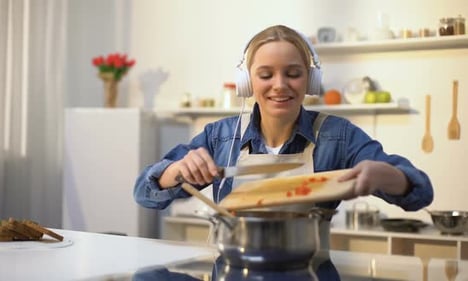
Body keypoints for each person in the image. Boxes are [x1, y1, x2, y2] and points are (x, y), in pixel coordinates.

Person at [134, 24, 433, 212]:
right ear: (247, 83)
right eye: (265, 75)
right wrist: (176, 171)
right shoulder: (220, 137)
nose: (280, 85)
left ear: (310, 81)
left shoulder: (337, 136)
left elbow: (421, 192)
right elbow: (144, 194)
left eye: (293, 73)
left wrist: (386, 176)